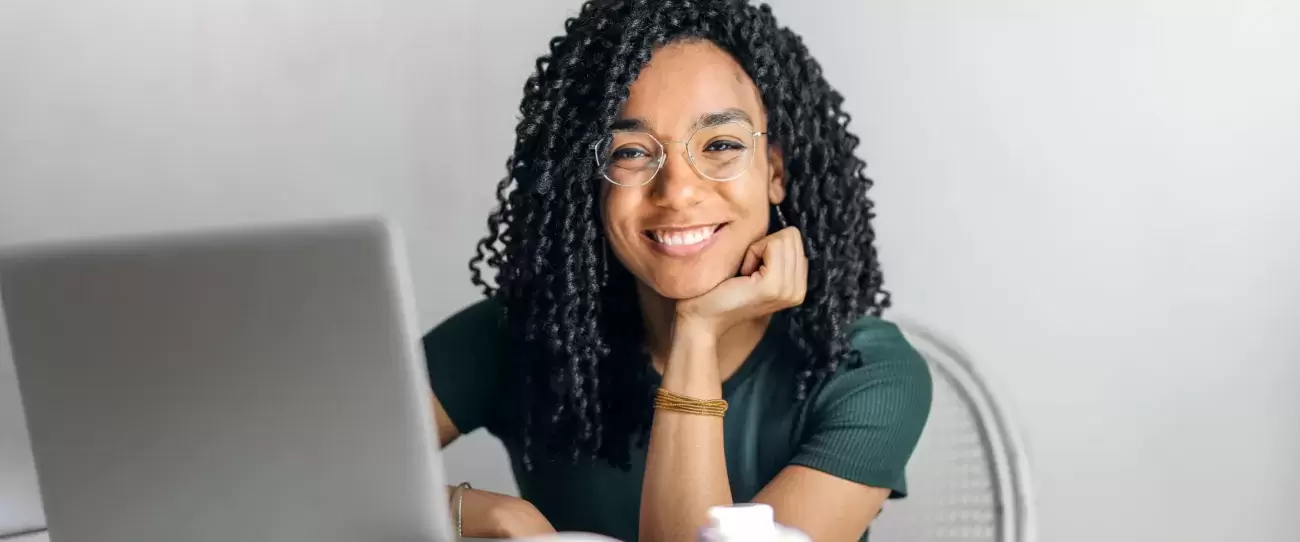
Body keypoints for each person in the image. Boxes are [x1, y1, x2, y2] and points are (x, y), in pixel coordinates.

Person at [424, 1, 932, 541]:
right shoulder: (523, 333)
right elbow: (327, 468)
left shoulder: (865, 372)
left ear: (774, 172)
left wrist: (696, 333)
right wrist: (483, 514)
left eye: (720, 145)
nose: (678, 192)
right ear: (590, 182)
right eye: (632, 152)